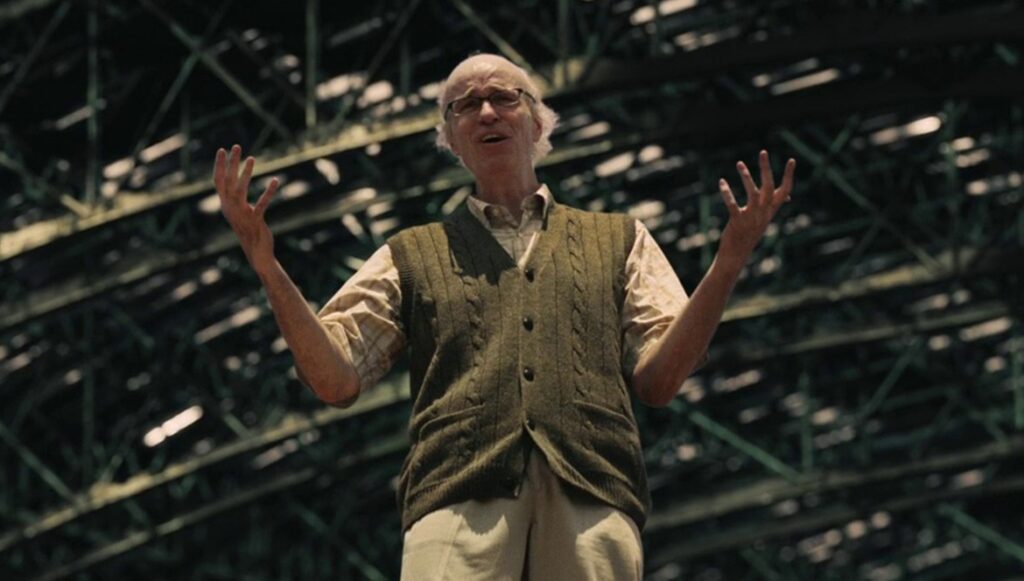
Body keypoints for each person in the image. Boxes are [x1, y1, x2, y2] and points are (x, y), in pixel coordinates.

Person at [213, 53, 795, 580]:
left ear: (538, 123)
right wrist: (267, 266)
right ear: (450, 138)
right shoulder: (408, 253)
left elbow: (659, 380)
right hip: (456, 493)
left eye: (504, 97)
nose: (486, 110)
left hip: (592, 488)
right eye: (465, 105)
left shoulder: (620, 239)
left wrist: (728, 261)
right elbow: (334, 379)